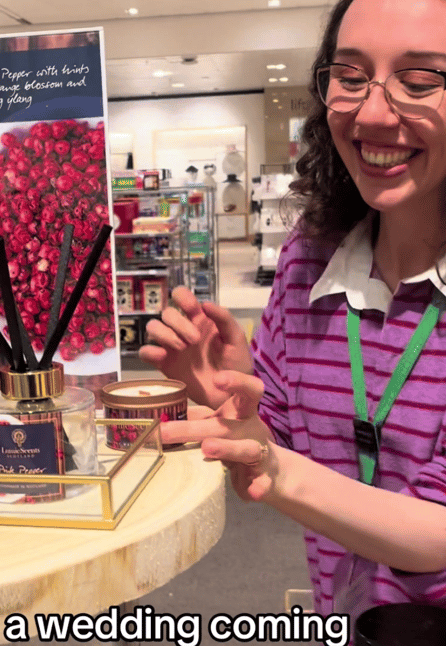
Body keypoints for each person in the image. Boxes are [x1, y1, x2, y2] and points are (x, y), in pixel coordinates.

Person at [140, 0, 446, 625]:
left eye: (419, 82)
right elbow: (280, 434)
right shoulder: (310, 257)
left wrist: (278, 471)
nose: (372, 113)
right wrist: (233, 397)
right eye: (350, 77)